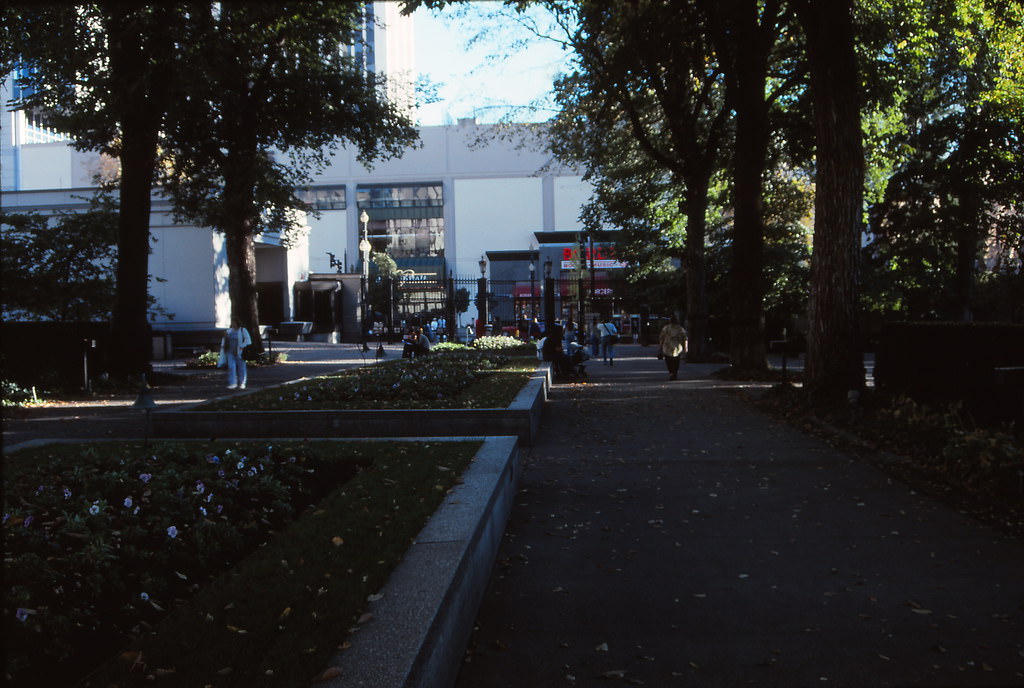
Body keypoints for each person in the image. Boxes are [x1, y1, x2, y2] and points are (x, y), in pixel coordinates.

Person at [220, 318, 252, 390]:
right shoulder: (229, 331)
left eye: (234, 322)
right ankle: (233, 383)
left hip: (240, 352)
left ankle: (242, 383)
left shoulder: (242, 330)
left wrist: (242, 346)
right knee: (231, 367)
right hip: (230, 352)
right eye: (232, 323)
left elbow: (248, 340)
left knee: (241, 367)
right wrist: (224, 348)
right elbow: (224, 340)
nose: (233, 324)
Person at [658, 315, 687, 381]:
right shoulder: (680, 329)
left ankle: (671, 373)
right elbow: (685, 338)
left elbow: (661, 337)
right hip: (677, 347)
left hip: (667, 347)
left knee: (669, 361)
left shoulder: (666, 328)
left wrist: (660, 346)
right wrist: (685, 348)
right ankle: (675, 373)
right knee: (676, 362)